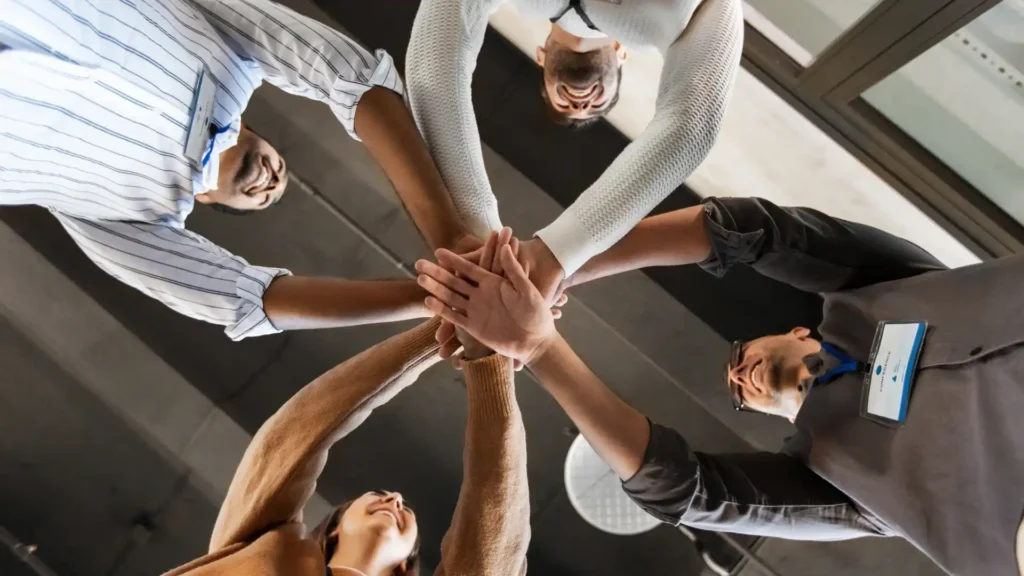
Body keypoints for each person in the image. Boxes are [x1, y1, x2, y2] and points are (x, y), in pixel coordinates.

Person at [414, 197, 1024, 576]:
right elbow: (685, 490)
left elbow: (752, 230)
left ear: (794, 331)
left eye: (739, 357)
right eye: (738, 388)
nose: (738, 373)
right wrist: (540, 347)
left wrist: (558, 265)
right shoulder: (839, 484)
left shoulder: (883, 287)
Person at [0, 0, 478, 341]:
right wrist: (451, 238)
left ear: (210, 201)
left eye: (264, 197)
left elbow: (240, 299)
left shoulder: (125, 219)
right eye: (280, 171)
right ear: (256, 130)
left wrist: (438, 297)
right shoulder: (232, 53)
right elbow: (346, 74)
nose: (271, 182)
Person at [164, 231, 529, 576]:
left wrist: (465, 330)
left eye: (385, 497)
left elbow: (292, 435)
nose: (395, 499)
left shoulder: (252, 552)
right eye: (389, 498)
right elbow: (293, 434)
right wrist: (473, 345)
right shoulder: (267, 552)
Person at [406, 0, 744, 304]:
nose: (580, 103)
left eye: (565, 104)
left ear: (541, 57)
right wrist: (555, 255)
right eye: (594, 106)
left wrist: (485, 242)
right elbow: (694, 124)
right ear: (621, 54)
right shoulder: (675, 22)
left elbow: (432, 67)